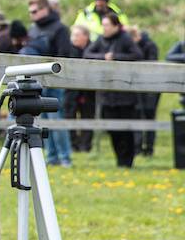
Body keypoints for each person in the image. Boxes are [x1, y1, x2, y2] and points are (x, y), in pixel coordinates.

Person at [83, 12, 142, 168]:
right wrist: (104, 57)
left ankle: (128, 161)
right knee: (113, 130)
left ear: (116, 26)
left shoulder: (125, 38)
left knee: (126, 130)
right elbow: (87, 54)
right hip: (107, 94)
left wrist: (116, 57)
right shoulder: (100, 40)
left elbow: (137, 54)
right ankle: (119, 161)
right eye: (103, 25)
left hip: (125, 95)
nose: (104, 28)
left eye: (107, 25)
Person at [26, 0, 73, 167]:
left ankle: (65, 157)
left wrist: (54, 76)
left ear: (45, 10)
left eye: (35, 11)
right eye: (30, 12)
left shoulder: (60, 29)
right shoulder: (33, 30)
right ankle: (52, 157)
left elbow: (63, 54)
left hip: (53, 81)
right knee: (43, 120)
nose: (32, 15)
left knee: (55, 119)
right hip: (37, 81)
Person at [128, 25, 160, 156]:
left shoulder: (150, 46)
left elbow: (151, 64)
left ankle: (149, 148)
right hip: (138, 86)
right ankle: (137, 147)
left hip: (152, 86)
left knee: (149, 115)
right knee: (138, 114)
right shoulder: (135, 47)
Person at [65, 24, 96, 153]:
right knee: (69, 115)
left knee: (88, 116)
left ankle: (85, 145)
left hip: (88, 90)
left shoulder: (93, 48)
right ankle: (73, 144)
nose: (74, 38)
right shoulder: (68, 49)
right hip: (71, 90)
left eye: (77, 35)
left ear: (86, 36)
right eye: (73, 35)